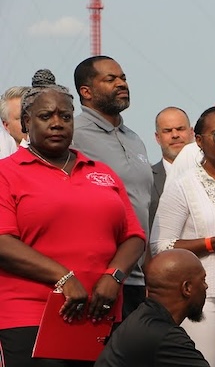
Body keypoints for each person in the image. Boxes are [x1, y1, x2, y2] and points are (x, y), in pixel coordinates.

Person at [0, 69, 145, 367]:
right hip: (31, 314)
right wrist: (63, 277)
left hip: (98, 315)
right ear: (27, 122)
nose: (57, 123)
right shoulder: (7, 173)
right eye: (46, 116)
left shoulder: (101, 171)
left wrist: (113, 276)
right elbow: (3, 243)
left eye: (65, 117)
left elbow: (134, 235)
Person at [151, 107, 215, 367]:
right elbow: (160, 247)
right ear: (199, 140)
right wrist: (212, 243)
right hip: (200, 298)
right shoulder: (183, 184)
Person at [72, 56, 153, 319]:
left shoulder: (135, 139)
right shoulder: (72, 135)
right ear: (86, 91)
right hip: (96, 279)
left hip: (137, 278)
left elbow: (143, 206)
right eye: (111, 79)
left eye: (123, 78)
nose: (121, 84)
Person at [95, 249, 210, 367]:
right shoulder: (166, 337)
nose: (206, 286)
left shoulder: (143, 317)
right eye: (203, 280)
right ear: (187, 288)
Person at [150, 107, 194, 226]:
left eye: (180, 129)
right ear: (157, 137)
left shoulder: (211, 173)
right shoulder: (145, 178)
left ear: (192, 133)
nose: (175, 135)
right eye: (167, 131)